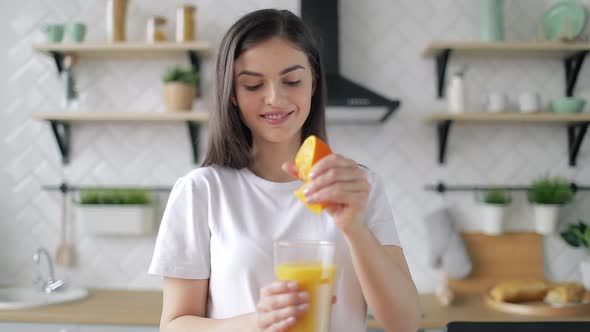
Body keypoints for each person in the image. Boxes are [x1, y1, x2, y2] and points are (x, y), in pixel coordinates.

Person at [149, 8, 420, 332]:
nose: (275, 99)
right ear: (232, 94)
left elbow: (404, 322)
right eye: (252, 85)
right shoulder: (202, 191)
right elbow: (174, 325)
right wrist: (258, 322)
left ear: (314, 84)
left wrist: (354, 227)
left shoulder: (357, 186)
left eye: (291, 81)